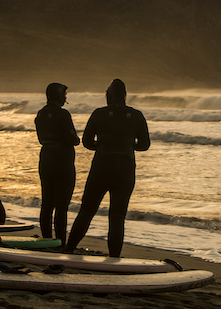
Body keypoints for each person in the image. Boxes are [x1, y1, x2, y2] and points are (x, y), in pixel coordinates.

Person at [65, 79, 150, 257]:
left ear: (108, 95)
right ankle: (114, 257)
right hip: (125, 166)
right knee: (117, 216)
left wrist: (104, 145)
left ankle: (69, 248)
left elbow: (87, 142)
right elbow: (144, 145)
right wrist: (126, 145)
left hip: (102, 164)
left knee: (87, 210)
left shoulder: (99, 114)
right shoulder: (136, 115)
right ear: (125, 95)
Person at [35, 82, 79, 246]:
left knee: (47, 202)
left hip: (46, 156)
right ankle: (60, 241)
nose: (65, 98)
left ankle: (47, 238)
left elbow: (40, 138)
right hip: (62, 159)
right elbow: (72, 139)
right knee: (61, 204)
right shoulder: (63, 115)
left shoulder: (40, 114)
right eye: (64, 95)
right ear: (58, 96)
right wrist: (76, 139)